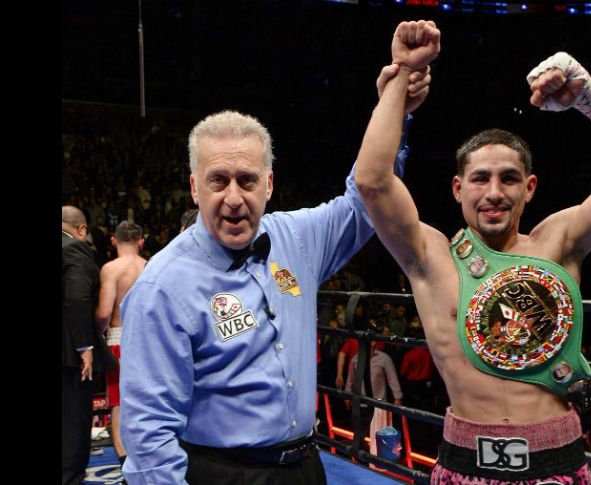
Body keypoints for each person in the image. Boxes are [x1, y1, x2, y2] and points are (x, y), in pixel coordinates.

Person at [355, 20, 591, 483]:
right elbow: (372, 180)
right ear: (458, 188)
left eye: (509, 178)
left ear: (530, 188)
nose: (494, 192)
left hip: (556, 461)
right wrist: (401, 74)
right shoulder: (430, 256)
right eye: (481, 178)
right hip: (464, 460)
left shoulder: (558, 242)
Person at [118, 51, 432, 484]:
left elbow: (365, 203)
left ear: (269, 184)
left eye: (247, 180)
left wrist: (392, 108)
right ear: (194, 187)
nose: (233, 197)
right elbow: (148, 431)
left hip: (305, 466)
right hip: (221, 472)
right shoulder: (161, 286)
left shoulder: (295, 238)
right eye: (218, 180)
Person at [62, 206, 117, 485]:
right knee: (73, 420)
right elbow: (76, 298)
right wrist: (85, 346)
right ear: (81, 230)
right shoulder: (73, 249)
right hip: (69, 355)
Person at [94, 221, 147, 477]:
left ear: (113, 241)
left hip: (119, 337)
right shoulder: (151, 266)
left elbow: (104, 312)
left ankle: (126, 468)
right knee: (149, 400)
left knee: (118, 403)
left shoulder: (111, 269)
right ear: (141, 242)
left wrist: (96, 333)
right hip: (149, 340)